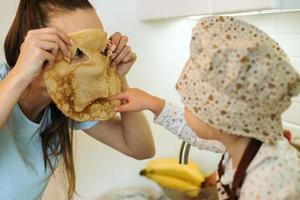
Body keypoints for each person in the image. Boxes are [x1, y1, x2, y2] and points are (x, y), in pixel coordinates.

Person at [110, 16, 300, 199]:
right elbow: (193, 129)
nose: (185, 109)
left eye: (189, 104)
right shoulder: (240, 141)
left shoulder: (267, 181)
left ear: (217, 119)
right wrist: (153, 103)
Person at [0, 0, 155, 199]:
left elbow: (140, 148)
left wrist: (116, 74)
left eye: (99, 50)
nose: (96, 66)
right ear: (34, 47)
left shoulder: (64, 102)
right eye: (79, 52)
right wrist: (21, 73)